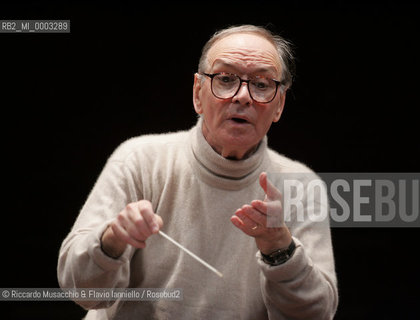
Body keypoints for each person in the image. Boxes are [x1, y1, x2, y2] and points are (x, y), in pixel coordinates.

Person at [58, 24, 338, 319]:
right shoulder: (138, 159)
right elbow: (80, 290)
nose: (243, 96)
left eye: (262, 84)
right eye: (226, 78)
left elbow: (316, 314)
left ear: (279, 104)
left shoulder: (301, 185)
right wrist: (113, 239)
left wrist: (280, 249)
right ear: (197, 93)